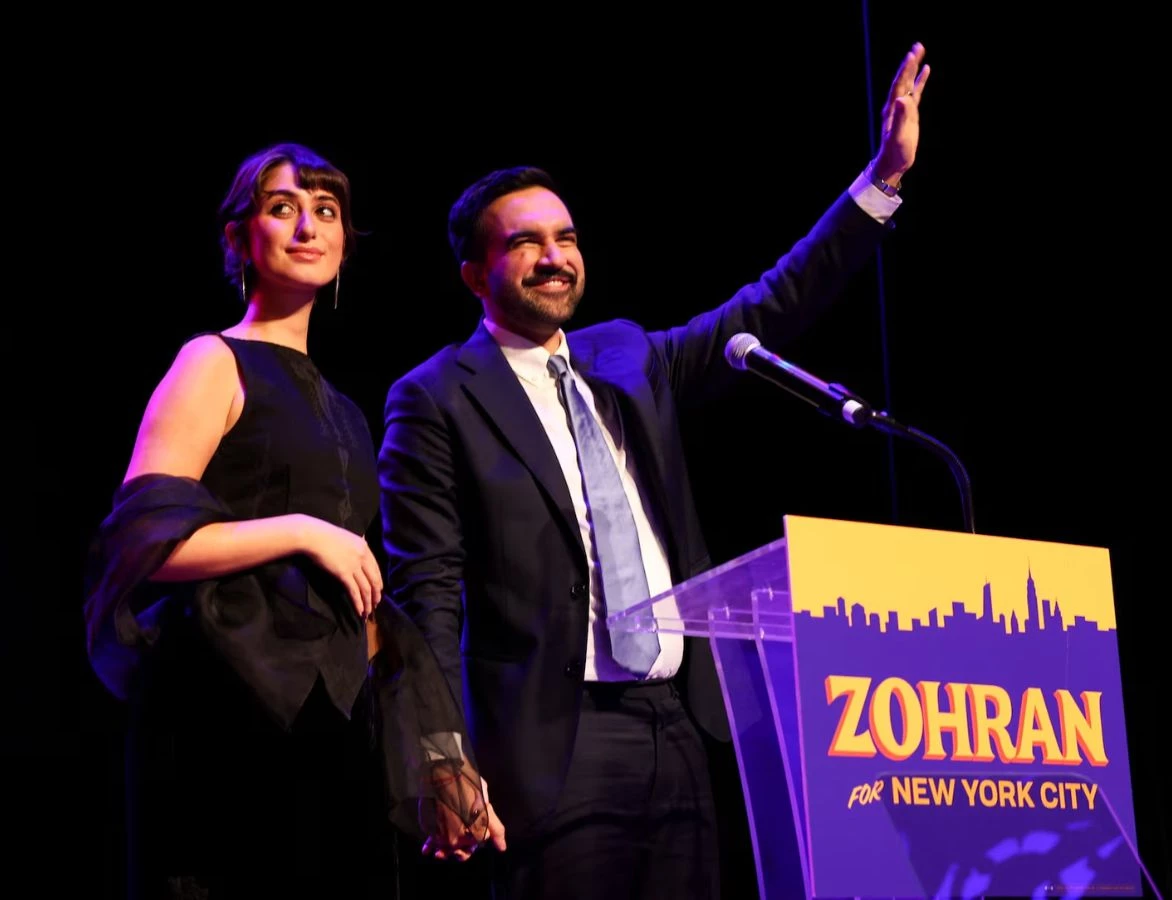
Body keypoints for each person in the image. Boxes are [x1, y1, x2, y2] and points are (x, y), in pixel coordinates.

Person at [377, 44, 930, 899]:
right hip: (554, 742)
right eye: (524, 244)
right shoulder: (436, 397)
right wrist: (443, 755)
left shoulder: (629, 356)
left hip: (679, 722)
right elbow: (429, 590)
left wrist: (882, 182)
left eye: (565, 237)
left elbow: (770, 303)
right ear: (472, 275)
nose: (555, 256)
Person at [82, 142, 499, 899]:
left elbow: (369, 601)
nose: (308, 225)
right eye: (283, 208)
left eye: (326, 211)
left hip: (332, 723)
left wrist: (443, 756)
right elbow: (143, 542)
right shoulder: (213, 361)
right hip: (225, 716)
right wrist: (307, 530)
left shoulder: (345, 409)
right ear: (241, 238)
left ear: (343, 248)